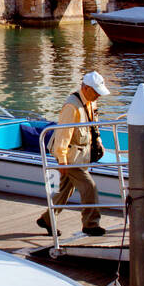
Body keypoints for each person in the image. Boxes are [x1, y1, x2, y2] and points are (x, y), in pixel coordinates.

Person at [37, 71, 110, 237]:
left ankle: (47, 219)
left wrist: (98, 144)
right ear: (85, 88)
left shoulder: (91, 102)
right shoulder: (72, 106)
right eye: (96, 91)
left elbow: (92, 127)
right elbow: (64, 134)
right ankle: (90, 224)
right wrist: (62, 161)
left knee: (64, 190)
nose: (99, 95)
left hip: (79, 155)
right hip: (70, 157)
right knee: (89, 187)